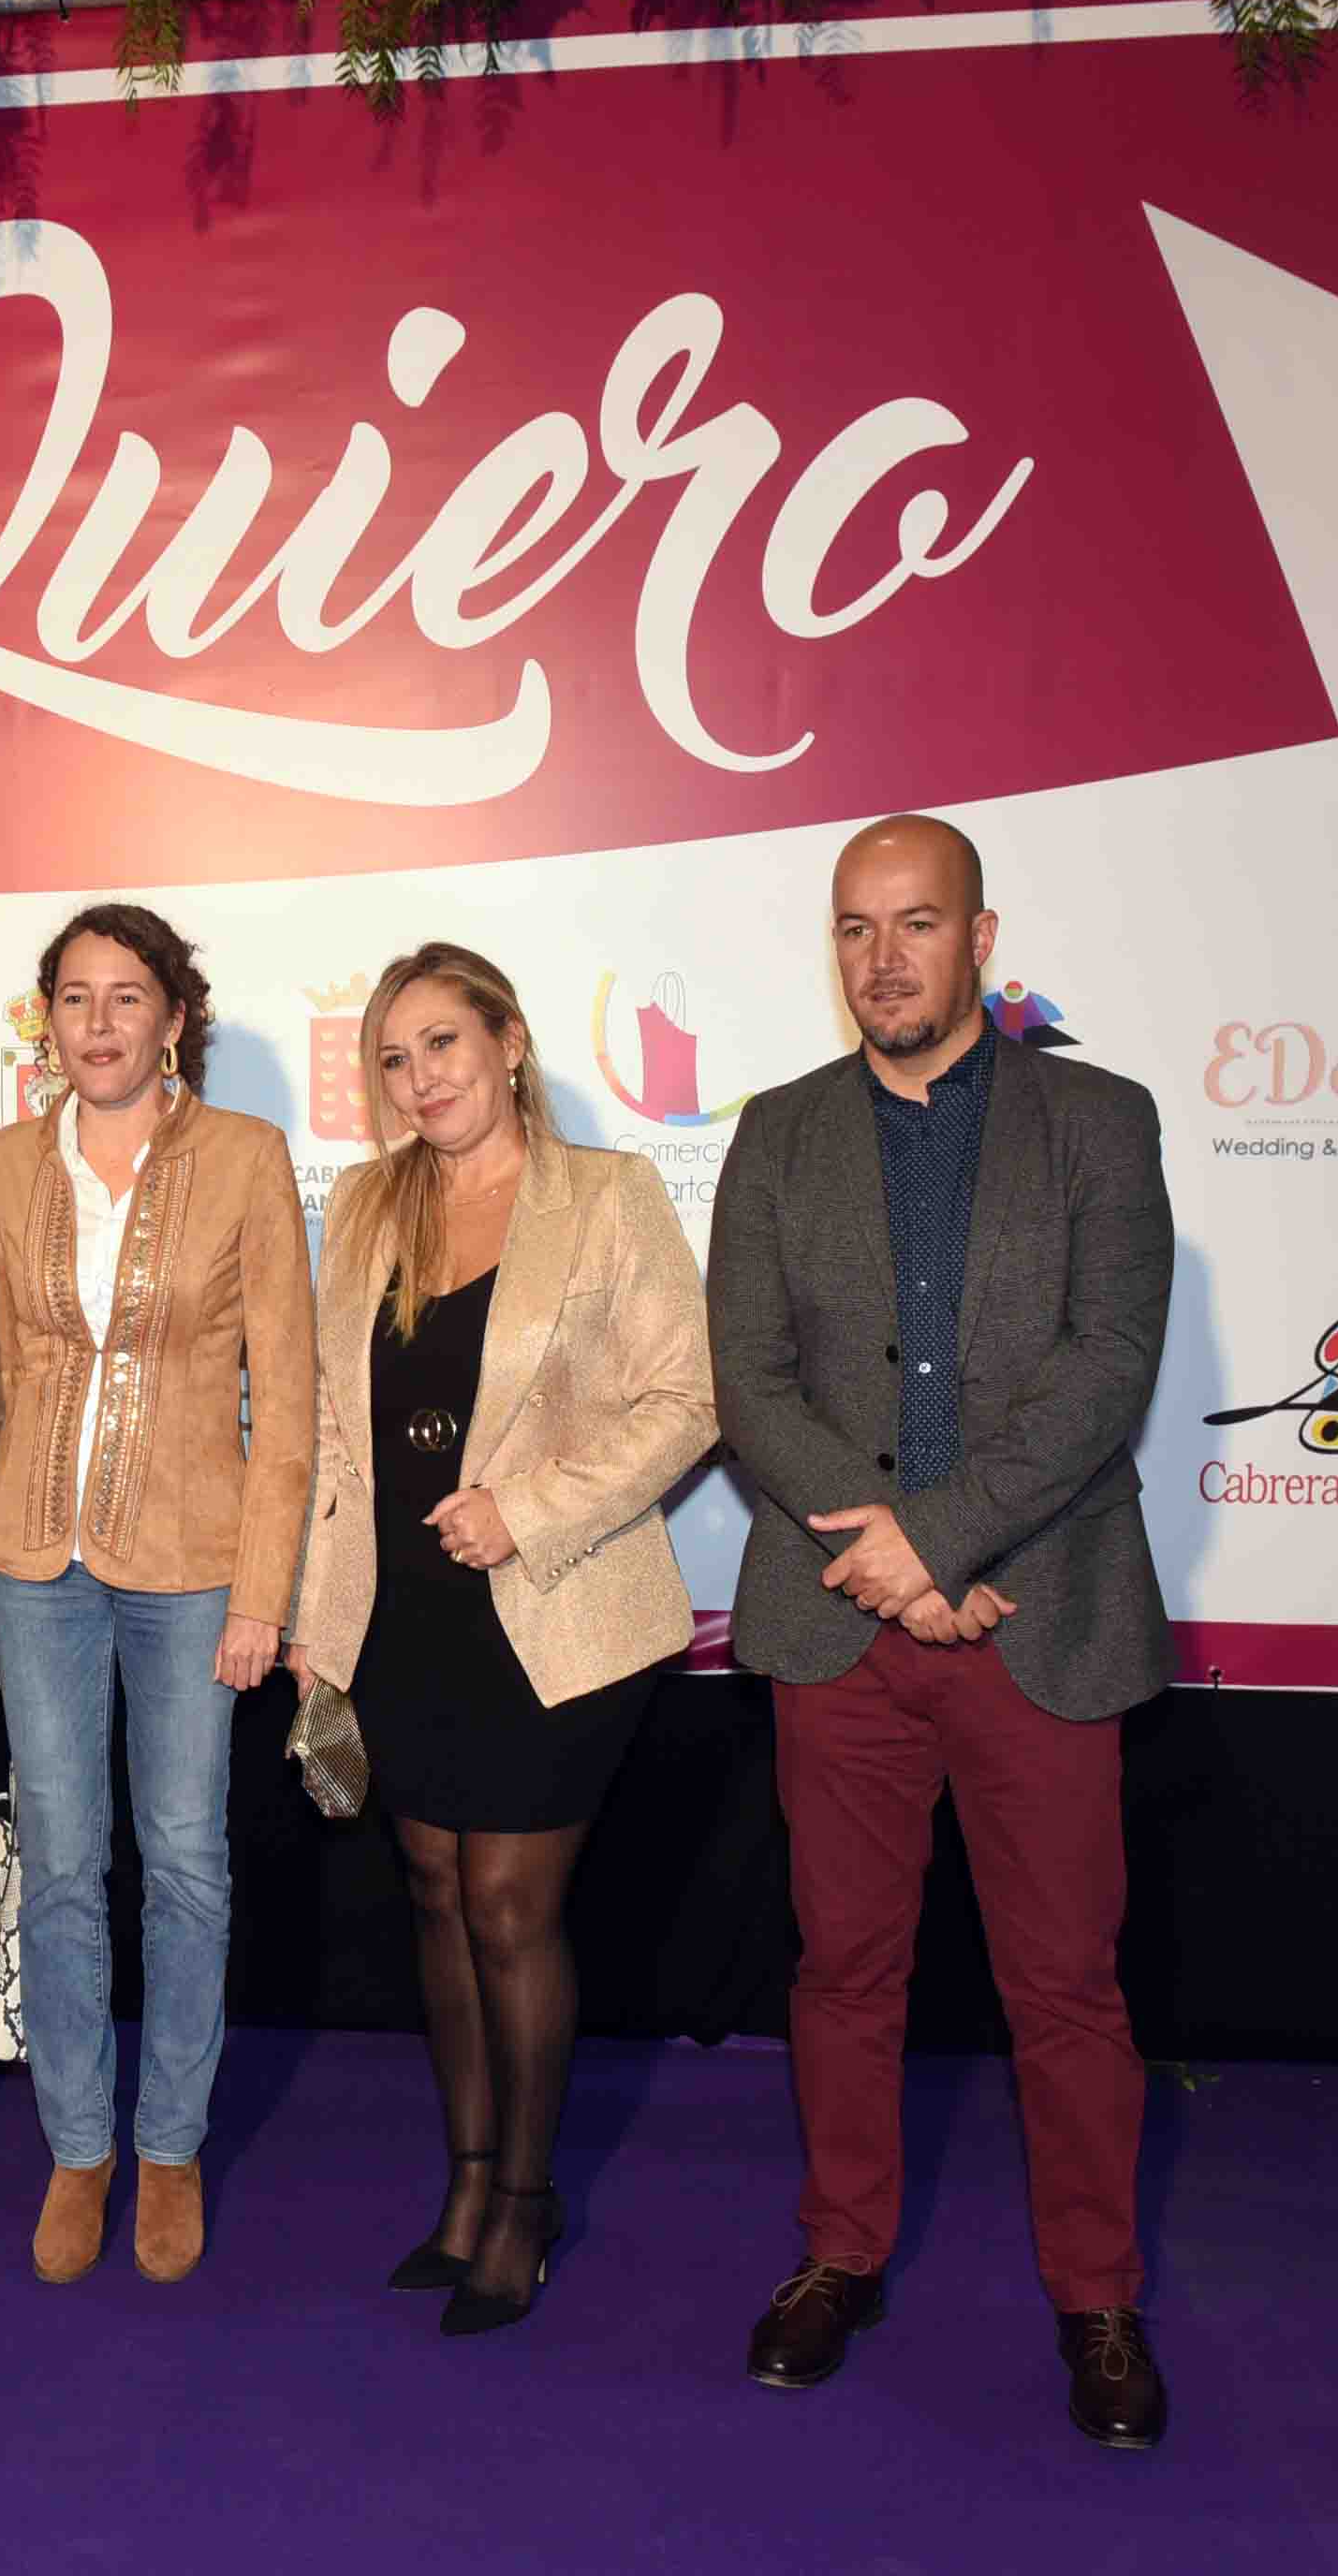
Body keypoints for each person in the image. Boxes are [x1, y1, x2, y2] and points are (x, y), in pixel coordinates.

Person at [705, 813, 1178, 2451]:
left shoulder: (1099, 1120)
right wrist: (892, 1553)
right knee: (844, 1969)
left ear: (979, 938)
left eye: (915, 923)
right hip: (843, 1626)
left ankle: (1097, 2294)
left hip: (1039, 1612)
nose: (882, 958)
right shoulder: (776, 1133)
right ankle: (839, 2253)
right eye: (855, 928)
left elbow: (1107, 1368)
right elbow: (750, 1378)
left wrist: (946, 1536)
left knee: (1066, 1985)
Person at [290, 942, 715, 2337]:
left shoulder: (607, 1193)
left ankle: (527, 2201)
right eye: (394, 1058)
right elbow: (335, 1434)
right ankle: (467, 2182)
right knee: (432, 1892)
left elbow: (688, 1398)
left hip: (552, 1607)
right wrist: (316, 1622)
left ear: (510, 1042)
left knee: (510, 1906)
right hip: (402, 1615)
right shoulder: (367, 1204)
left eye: (444, 1044)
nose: (421, 1078)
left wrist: (525, 1511)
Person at [0, 904, 313, 2284]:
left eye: (128, 997)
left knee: (184, 1860)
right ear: (45, 1020)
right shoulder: (1, 1164)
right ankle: (77, 2146)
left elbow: (287, 1395)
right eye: (74, 998)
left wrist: (263, 1591)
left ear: (175, 1017)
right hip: (34, 1559)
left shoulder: (245, 1156)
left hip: (194, 1564)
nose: (99, 1023)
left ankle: (168, 2143)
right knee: (59, 1861)